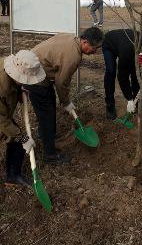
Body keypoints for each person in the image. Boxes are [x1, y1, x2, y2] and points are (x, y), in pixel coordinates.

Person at [24, 27, 104, 165]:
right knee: (46, 113)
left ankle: (47, 135)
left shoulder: (72, 39)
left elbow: (57, 75)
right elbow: (61, 82)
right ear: (85, 42)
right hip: (32, 75)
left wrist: (63, 99)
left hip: (39, 71)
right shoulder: (73, 56)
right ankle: (50, 155)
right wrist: (66, 101)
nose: (95, 51)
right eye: (94, 47)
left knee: (49, 105)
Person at [1, 50, 45, 186]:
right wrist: (21, 137)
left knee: (16, 137)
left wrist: (19, 91)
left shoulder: (8, 71)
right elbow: (1, 120)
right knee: (17, 136)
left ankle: (12, 177)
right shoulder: (2, 86)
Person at [102, 29, 142, 119]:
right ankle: (110, 106)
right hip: (110, 43)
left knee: (135, 72)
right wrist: (129, 98)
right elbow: (122, 77)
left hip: (129, 45)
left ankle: (137, 101)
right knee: (111, 71)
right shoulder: (126, 52)